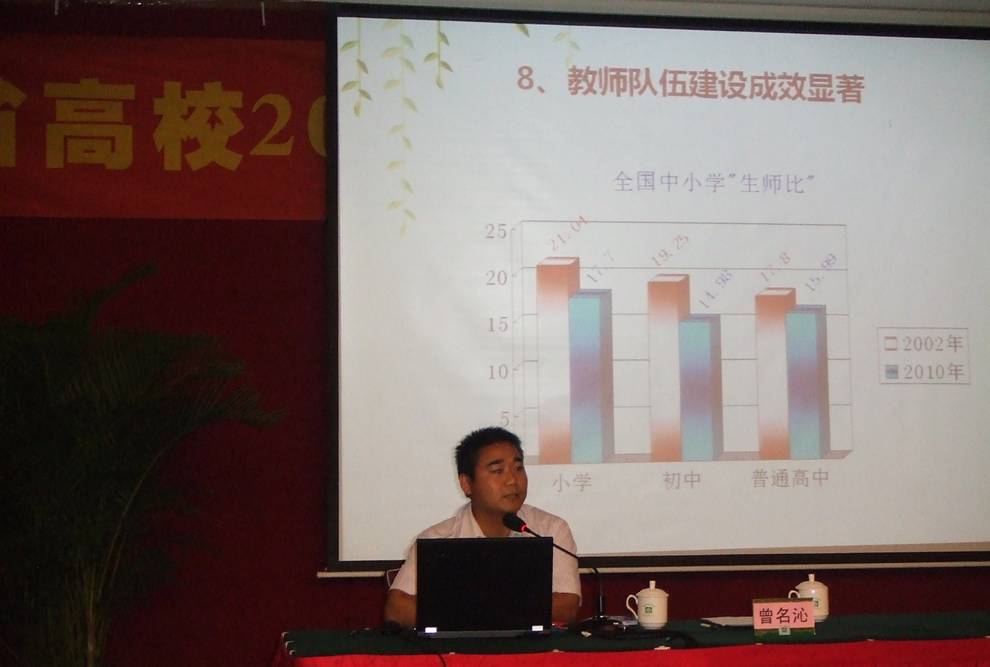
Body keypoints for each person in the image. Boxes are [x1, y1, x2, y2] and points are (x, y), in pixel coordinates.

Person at [383, 427, 581, 628]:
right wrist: (501, 611)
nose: (512, 480)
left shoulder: (550, 529)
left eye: (518, 468)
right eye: (497, 471)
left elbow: (567, 607)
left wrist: (466, 611)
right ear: (466, 484)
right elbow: (397, 609)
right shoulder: (437, 538)